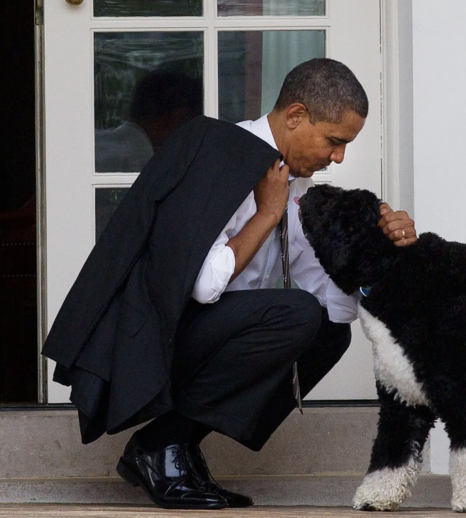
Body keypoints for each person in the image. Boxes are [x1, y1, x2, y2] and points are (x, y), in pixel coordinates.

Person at [43, 58, 417, 510]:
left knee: (327, 333)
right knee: (295, 314)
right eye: (334, 141)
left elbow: (332, 305)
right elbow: (201, 285)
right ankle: (160, 447)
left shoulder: (291, 184)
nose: (337, 157)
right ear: (296, 116)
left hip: (210, 338)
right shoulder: (217, 151)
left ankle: (170, 442)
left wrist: (380, 252)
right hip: (145, 342)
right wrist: (266, 215)